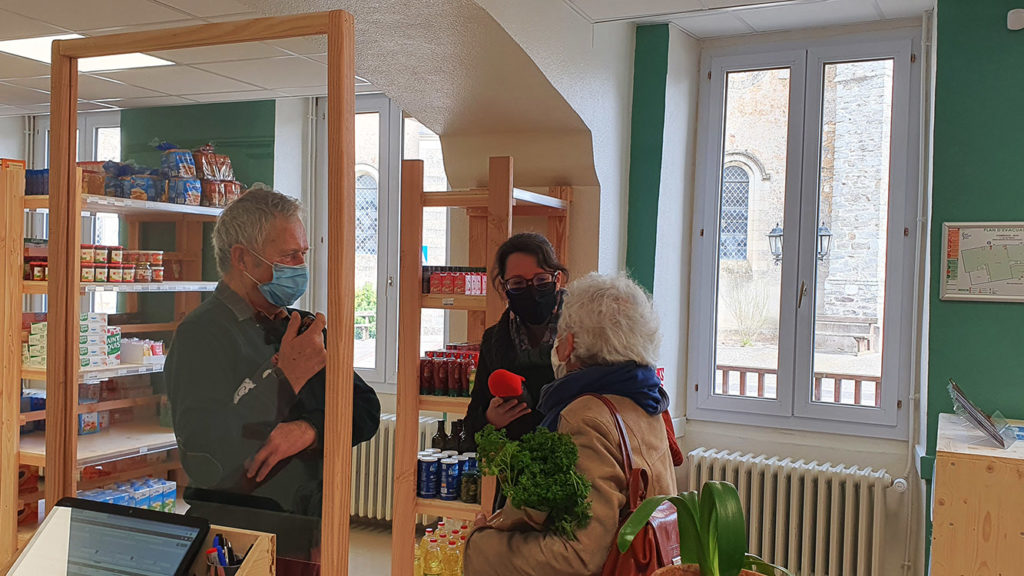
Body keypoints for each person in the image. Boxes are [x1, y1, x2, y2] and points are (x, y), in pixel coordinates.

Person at [165, 187, 380, 521]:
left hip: (309, 520)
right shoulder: (201, 334)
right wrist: (286, 379)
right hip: (236, 525)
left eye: (303, 254)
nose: (301, 267)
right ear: (242, 258)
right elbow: (206, 451)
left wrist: (309, 430)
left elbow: (365, 409)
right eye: (289, 256)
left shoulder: (302, 327)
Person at [463, 273, 677, 576]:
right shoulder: (648, 401)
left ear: (568, 345)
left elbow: (578, 556)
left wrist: (483, 544)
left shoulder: (584, 417)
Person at [464, 233, 568, 449]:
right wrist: (490, 419)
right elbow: (471, 425)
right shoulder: (494, 340)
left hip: (574, 469)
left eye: (541, 280)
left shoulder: (582, 333)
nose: (531, 290)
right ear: (504, 288)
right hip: (512, 473)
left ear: (556, 279)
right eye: (518, 283)